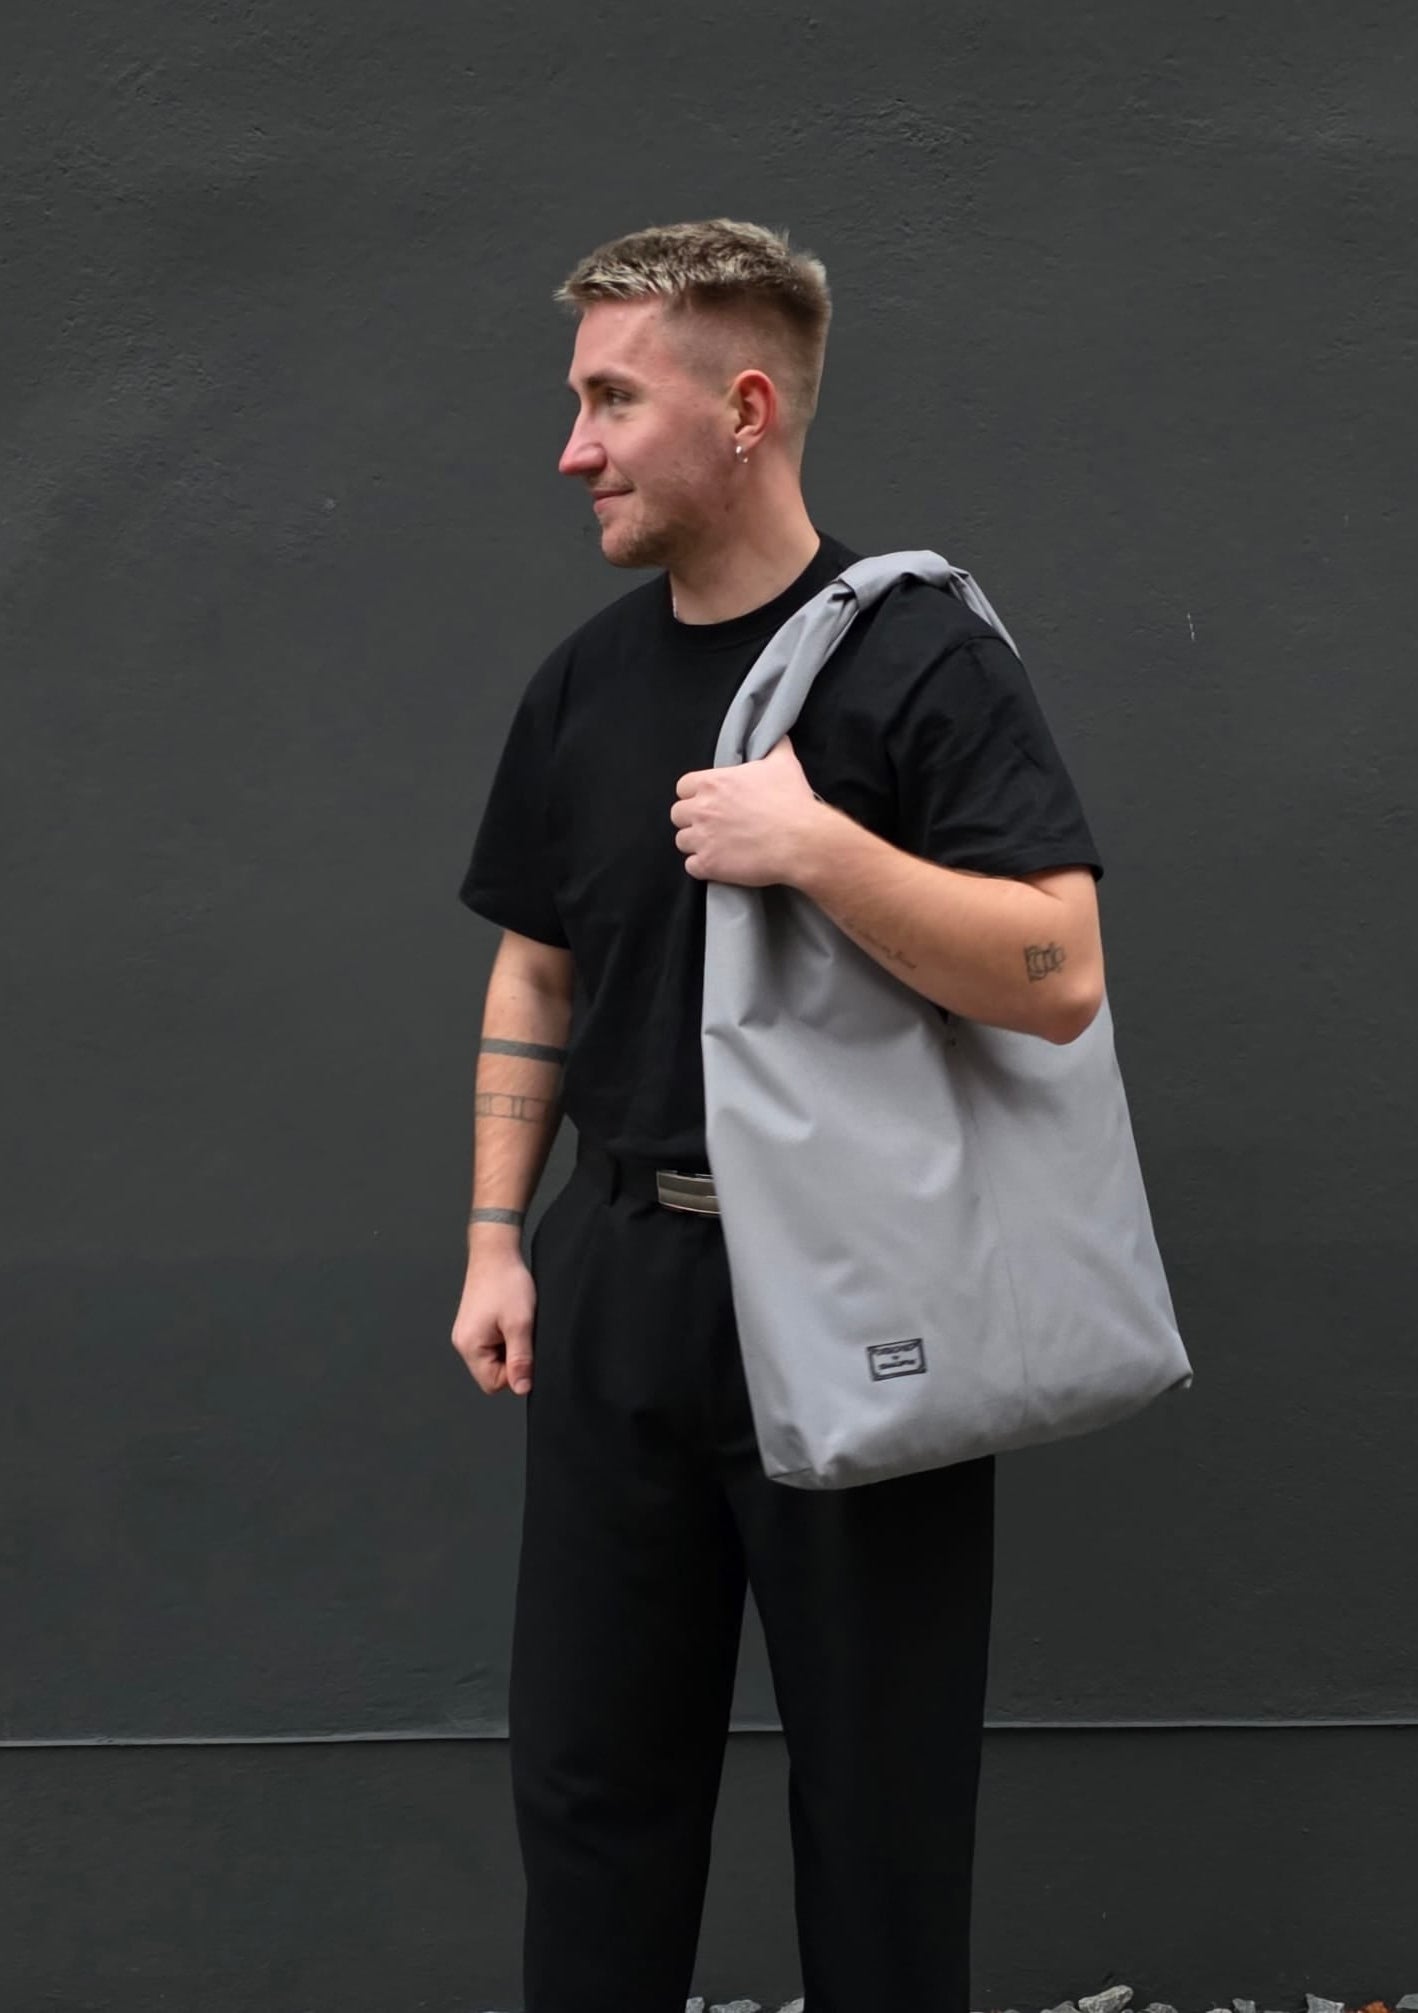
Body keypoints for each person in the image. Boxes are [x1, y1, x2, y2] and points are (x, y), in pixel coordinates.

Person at [450, 218, 1108, 2013]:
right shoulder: (582, 684)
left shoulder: (917, 661)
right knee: (591, 1786)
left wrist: (814, 843)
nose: (570, 445)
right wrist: (499, 1241)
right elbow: (535, 972)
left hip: (853, 1290)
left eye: (608, 399)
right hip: (617, 1283)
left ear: (745, 408)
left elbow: (1057, 966)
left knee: (880, 1808)